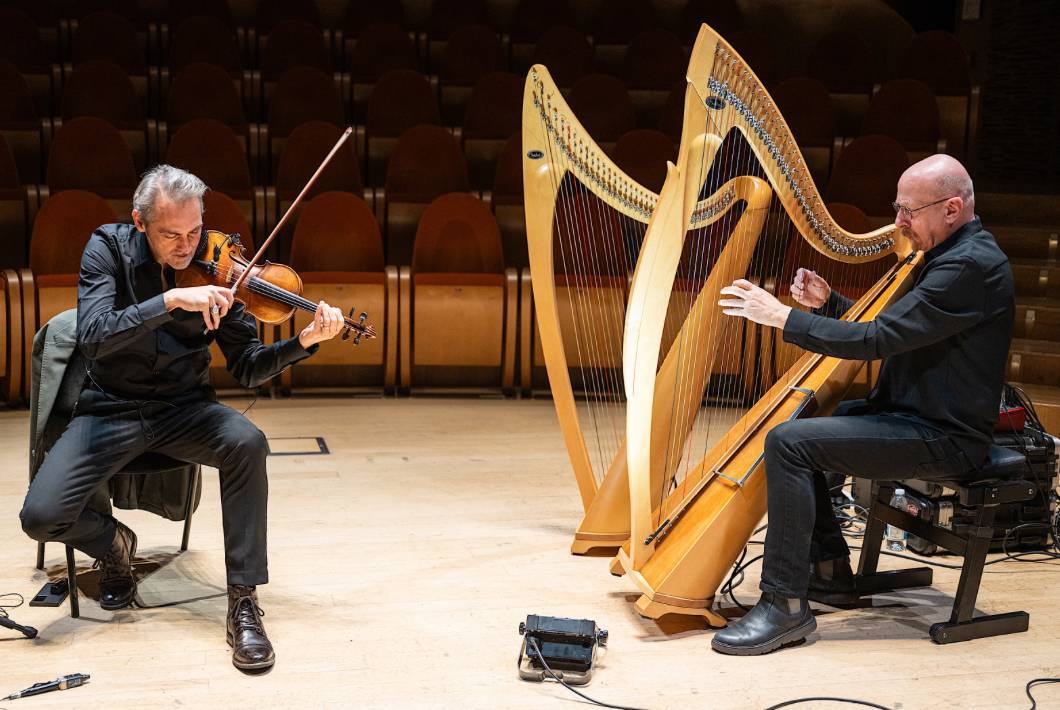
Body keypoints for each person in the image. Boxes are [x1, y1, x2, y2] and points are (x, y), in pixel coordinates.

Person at [20, 165, 348, 672]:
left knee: (247, 441)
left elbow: (248, 367)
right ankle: (114, 544)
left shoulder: (221, 269)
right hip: (110, 409)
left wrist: (303, 342)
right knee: (39, 517)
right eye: (171, 234)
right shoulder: (106, 250)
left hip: (184, 410)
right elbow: (94, 336)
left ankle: (243, 601)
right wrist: (170, 299)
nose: (186, 245)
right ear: (140, 222)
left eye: (195, 231)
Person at [710, 154, 1015, 656]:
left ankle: (784, 607)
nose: (898, 223)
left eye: (908, 211)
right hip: (912, 417)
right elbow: (900, 336)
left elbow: (880, 339)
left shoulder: (969, 267)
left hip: (945, 437)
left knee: (789, 444)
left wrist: (783, 318)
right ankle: (829, 573)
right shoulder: (948, 256)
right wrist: (829, 305)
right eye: (898, 208)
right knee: (806, 424)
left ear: (952, 208)